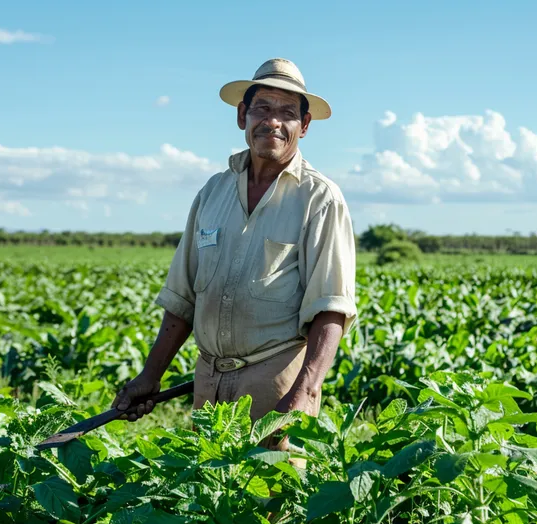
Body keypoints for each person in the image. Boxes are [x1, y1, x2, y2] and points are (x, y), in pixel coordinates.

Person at [111, 58, 357, 428]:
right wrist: (150, 375)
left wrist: (305, 392)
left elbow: (331, 307)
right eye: (262, 108)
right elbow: (183, 299)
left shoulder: (319, 198)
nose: (272, 121)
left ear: (303, 126)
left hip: (277, 384)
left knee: (271, 485)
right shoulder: (214, 192)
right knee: (210, 483)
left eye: (287, 113)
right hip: (207, 381)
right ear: (243, 115)